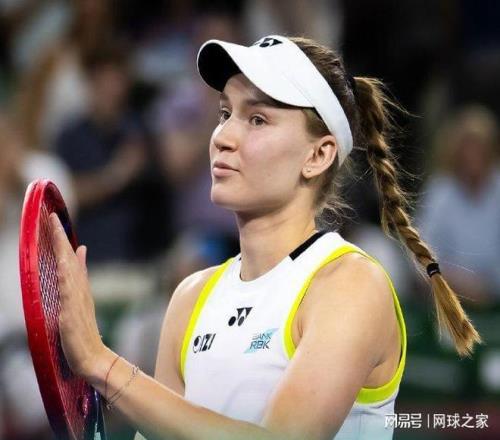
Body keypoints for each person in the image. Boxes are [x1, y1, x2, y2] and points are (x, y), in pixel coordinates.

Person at [49, 35, 482, 440]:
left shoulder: (351, 284)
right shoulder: (190, 297)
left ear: (318, 155)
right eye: (225, 114)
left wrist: (100, 362)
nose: (223, 137)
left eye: (257, 119)